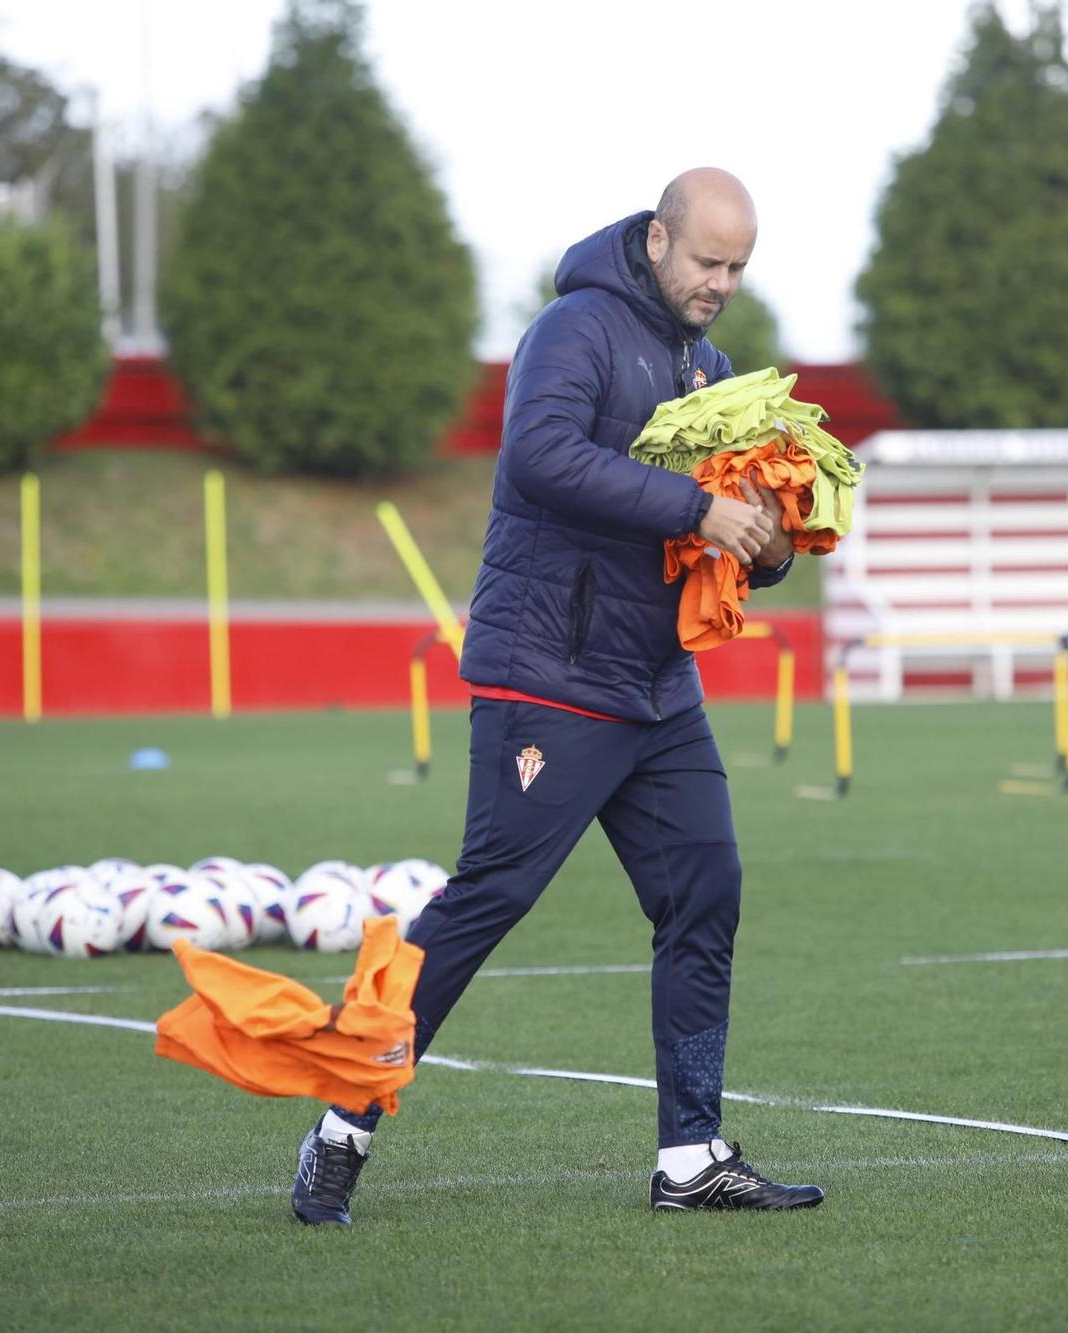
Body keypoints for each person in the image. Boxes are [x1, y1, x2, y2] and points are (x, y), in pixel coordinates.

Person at [291, 168, 824, 1223]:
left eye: (737, 268)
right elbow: (537, 457)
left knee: (704, 888)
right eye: (707, 261)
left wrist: (768, 536)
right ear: (659, 238)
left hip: (655, 685)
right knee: (487, 898)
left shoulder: (708, 365)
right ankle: (341, 1122)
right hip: (549, 671)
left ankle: (689, 1157)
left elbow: (722, 541)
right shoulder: (574, 326)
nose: (721, 283)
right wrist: (692, 503)